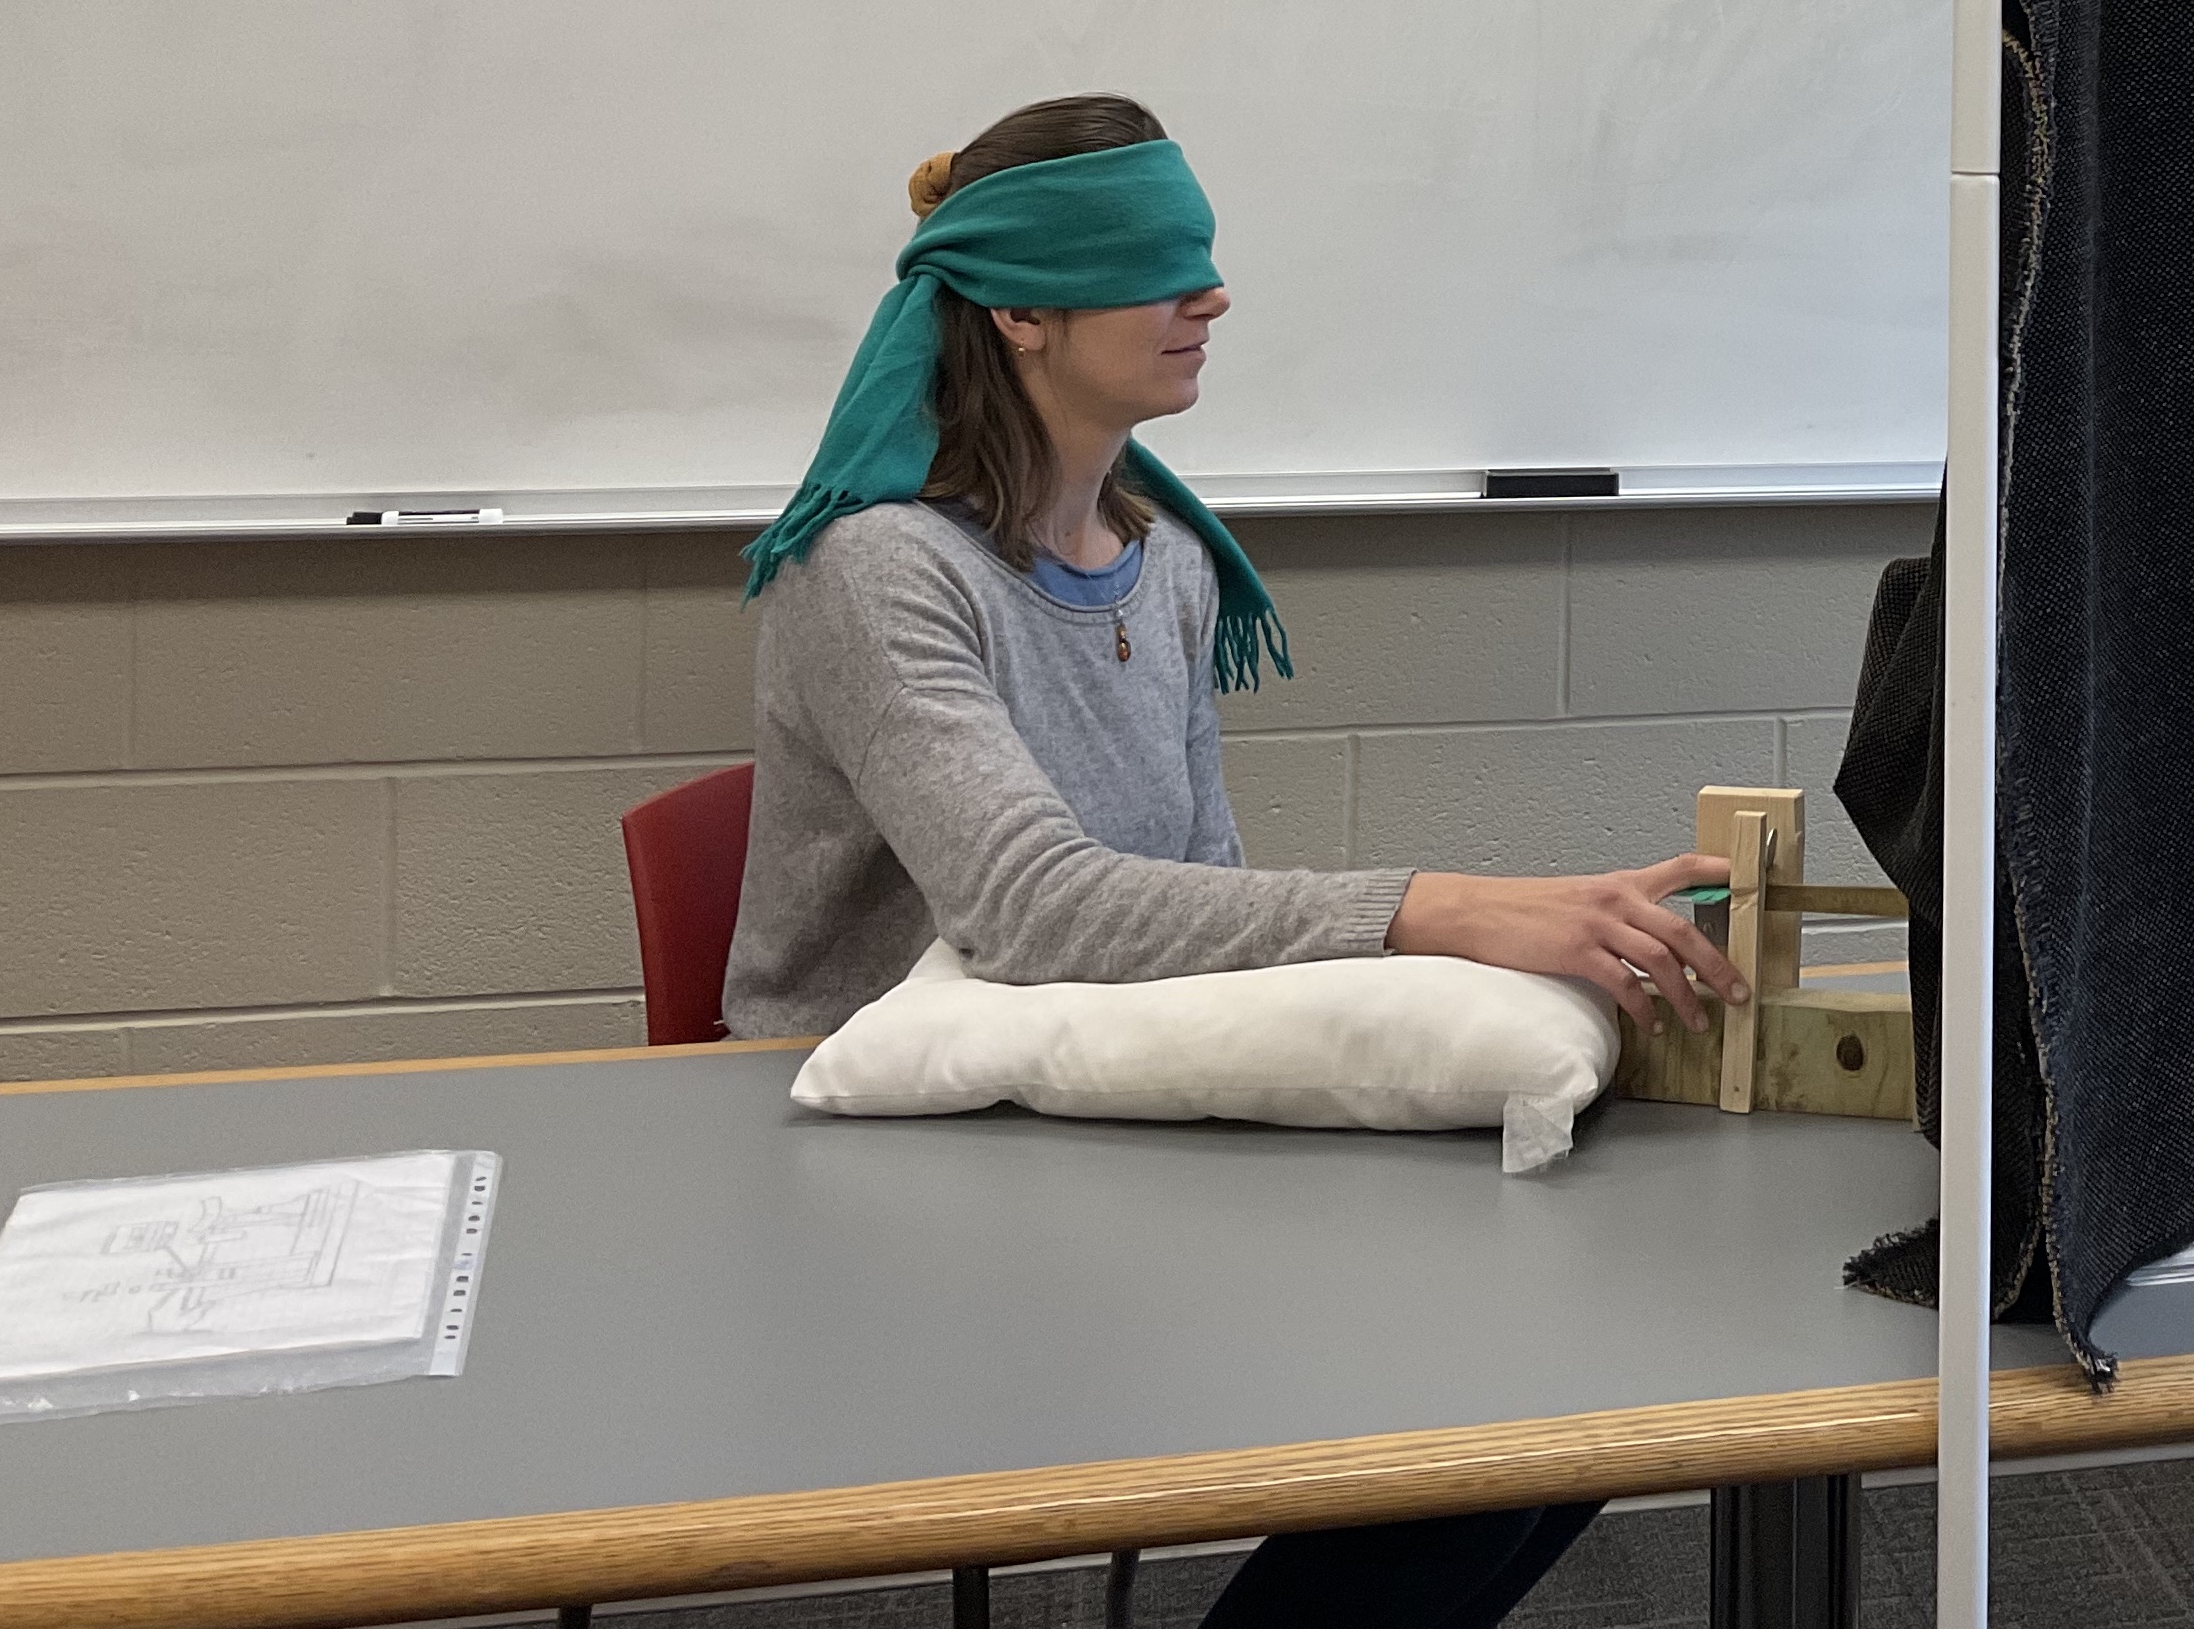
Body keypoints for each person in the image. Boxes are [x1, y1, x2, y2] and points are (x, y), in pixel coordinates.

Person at [728, 92, 1748, 1629]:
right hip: (888, 1141)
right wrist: (1441, 911)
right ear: (1017, 308)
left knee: (1565, 1384)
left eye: (1203, 257)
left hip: (1091, 1097)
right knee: (1468, 1393)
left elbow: (1201, 890)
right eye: (1156, 262)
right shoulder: (878, 571)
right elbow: (1030, 908)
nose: (1207, 296)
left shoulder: (1174, 560)